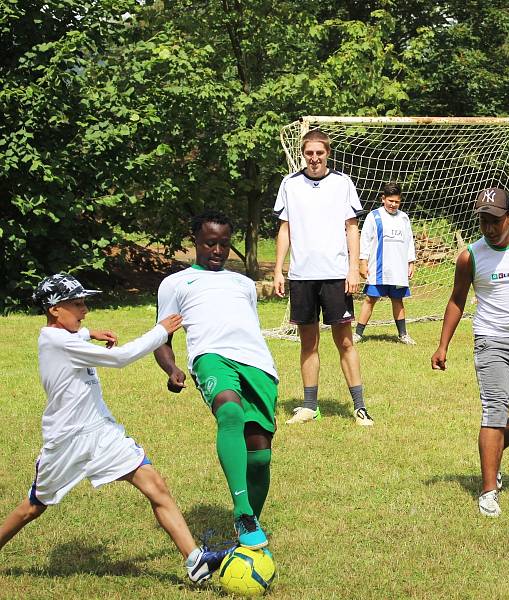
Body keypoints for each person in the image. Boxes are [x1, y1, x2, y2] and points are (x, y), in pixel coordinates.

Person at [0, 274, 227, 583]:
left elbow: (75, 337)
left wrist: (90, 332)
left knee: (155, 484)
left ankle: (195, 561)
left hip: (101, 432)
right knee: (33, 507)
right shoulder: (58, 342)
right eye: (78, 304)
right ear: (54, 309)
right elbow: (120, 358)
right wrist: (161, 331)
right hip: (67, 440)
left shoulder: (65, 336)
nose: (85, 310)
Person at [431, 188, 509, 517]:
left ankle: (493, 451)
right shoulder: (470, 256)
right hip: (489, 342)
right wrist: (443, 344)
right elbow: (457, 300)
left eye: (495, 220)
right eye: (483, 220)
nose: (489, 227)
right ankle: (489, 489)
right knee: (493, 411)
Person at [154, 210, 278, 550]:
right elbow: (161, 339)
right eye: (210, 243)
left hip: (258, 365)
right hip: (211, 357)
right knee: (229, 412)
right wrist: (172, 369)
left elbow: (250, 328)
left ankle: (249, 522)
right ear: (196, 241)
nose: (218, 251)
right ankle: (241, 512)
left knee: (260, 455)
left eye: (224, 244)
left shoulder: (243, 283)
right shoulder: (176, 283)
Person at [273, 128, 374, 426]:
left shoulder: (342, 183)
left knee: (344, 342)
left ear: (327, 153)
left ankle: (359, 407)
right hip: (303, 276)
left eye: (319, 153)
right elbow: (285, 229)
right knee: (308, 343)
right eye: (309, 153)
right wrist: (279, 269)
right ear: (302, 154)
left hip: (335, 275)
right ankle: (309, 405)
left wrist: (353, 268)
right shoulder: (290, 184)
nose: (314, 158)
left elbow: (352, 227)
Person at [354, 181, 417, 345]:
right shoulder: (374, 216)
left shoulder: (404, 218)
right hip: (378, 269)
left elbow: (409, 241)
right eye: (390, 201)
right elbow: (365, 240)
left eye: (397, 201)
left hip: (398, 269)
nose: (393, 204)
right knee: (370, 299)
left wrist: (411, 262)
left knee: (398, 300)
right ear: (383, 199)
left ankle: (403, 334)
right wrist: (363, 261)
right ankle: (358, 333)